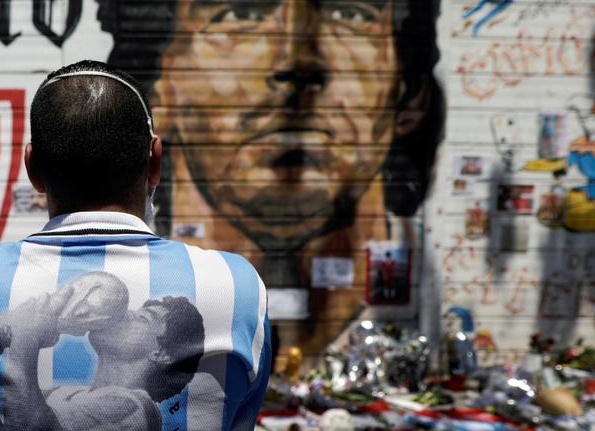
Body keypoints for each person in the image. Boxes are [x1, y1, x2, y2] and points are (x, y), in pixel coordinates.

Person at [0, 61, 271, 431]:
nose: (130, 309)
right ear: (155, 162)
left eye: (145, 317)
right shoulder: (234, 284)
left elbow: (28, 427)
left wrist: (25, 340)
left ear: (33, 168)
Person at [98, 0, 443, 357]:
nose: (297, 62)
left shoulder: (430, 287)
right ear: (158, 88)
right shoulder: (115, 293)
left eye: (350, 13)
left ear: (409, 90)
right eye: (242, 14)